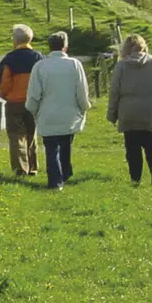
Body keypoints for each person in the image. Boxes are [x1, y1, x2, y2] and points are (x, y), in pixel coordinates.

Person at [105, 34, 152, 185]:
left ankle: (135, 178)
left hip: (129, 112)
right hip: (151, 111)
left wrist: (112, 114)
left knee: (132, 147)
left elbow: (114, 92)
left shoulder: (122, 65)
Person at [25, 31, 89, 191]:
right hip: (69, 114)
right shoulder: (75, 64)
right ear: (65, 46)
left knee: (52, 148)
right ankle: (64, 174)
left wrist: (33, 110)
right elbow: (82, 91)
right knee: (66, 142)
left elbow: (34, 93)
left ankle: (56, 181)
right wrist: (84, 107)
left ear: (49, 46)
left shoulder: (40, 66)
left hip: (47, 114)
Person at [0, 24, 43, 178]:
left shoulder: (9, 59)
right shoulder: (39, 57)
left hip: (14, 103)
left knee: (16, 136)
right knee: (31, 134)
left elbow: (3, 84)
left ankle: (20, 169)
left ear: (15, 40)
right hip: (34, 102)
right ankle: (33, 167)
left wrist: (6, 95)